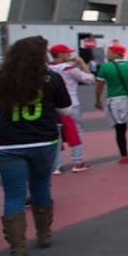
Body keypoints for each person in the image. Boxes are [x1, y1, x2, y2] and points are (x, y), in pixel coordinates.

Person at [0, 36, 73, 256]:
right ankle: (44, 234)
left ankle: (18, 248)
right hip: (43, 140)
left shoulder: (1, 77)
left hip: (8, 143)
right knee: (41, 186)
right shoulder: (51, 78)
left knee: (14, 194)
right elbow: (65, 109)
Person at [48, 44, 95, 174]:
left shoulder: (48, 68)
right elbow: (89, 79)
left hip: (52, 105)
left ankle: (56, 165)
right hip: (71, 103)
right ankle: (77, 161)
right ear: (61, 54)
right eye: (67, 53)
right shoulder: (69, 68)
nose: (69, 55)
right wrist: (83, 64)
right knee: (76, 131)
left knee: (55, 134)